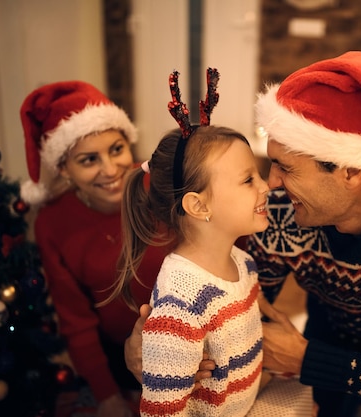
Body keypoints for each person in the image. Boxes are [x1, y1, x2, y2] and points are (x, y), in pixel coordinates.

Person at [126, 51, 361, 417]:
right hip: (332, 330)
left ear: (351, 172)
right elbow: (247, 307)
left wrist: (310, 359)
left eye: (285, 167)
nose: (271, 184)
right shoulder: (277, 211)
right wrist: (163, 349)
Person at [19, 81, 212, 417]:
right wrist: (106, 395)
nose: (110, 169)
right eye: (88, 159)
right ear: (64, 169)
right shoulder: (52, 223)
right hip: (122, 355)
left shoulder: (162, 183)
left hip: (202, 341)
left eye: (116, 149)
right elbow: (75, 319)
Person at [108, 69, 272, 416]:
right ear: (198, 205)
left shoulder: (244, 263)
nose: (266, 187)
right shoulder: (179, 304)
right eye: (248, 180)